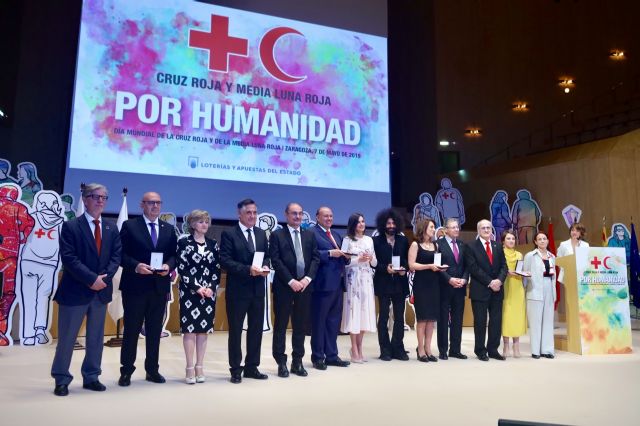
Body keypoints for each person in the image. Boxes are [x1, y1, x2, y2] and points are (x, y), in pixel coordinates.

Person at [51, 183, 122, 396]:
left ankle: (92, 376)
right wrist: (91, 279)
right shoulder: (71, 226)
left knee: (95, 338)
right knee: (67, 339)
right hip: (75, 291)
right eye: (95, 196)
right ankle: (61, 379)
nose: (101, 200)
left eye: (104, 197)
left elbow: (115, 257)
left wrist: (104, 279)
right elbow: (69, 259)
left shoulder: (111, 227)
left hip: (100, 293)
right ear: (85, 199)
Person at [118, 191, 177, 386]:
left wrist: (169, 265)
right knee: (132, 331)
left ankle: (152, 370)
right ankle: (126, 371)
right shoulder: (130, 226)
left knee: (154, 332)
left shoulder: (168, 229)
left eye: (158, 203)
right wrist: (136, 266)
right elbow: (120, 254)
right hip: (135, 286)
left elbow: (174, 255)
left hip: (159, 287)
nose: (155, 206)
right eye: (151, 203)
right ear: (142, 205)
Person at [219, 199, 270, 384]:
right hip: (238, 291)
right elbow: (225, 260)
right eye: (249, 212)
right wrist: (248, 269)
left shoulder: (261, 233)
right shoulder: (229, 233)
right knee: (236, 331)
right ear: (239, 214)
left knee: (256, 330)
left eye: (255, 212)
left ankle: (252, 367)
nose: (252, 216)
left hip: (258, 290)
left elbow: (267, 256)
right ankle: (235, 369)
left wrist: (265, 266)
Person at [269, 202, 320, 378]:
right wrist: (291, 281)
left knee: (300, 326)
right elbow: (275, 260)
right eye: (294, 214)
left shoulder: (309, 235)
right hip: (284, 286)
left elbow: (315, 259)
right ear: (286, 215)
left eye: (300, 214)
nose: (297, 217)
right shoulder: (277, 235)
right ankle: (281, 362)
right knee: (281, 325)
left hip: (305, 287)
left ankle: (297, 362)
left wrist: (306, 279)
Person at [176, 210, 220, 384]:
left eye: (207, 222)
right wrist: (197, 287)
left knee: (203, 331)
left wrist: (210, 287)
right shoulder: (184, 242)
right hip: (189, 292)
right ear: (193, 224)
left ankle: (199, 366)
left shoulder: (213, 244)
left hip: (208, 294)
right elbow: (182, 267)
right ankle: (188, 368)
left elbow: (216, 268)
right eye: (201, 222)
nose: (205, 225)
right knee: (190, 330)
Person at [311, 206, 350, 370]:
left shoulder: (336, 234)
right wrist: (329, 253)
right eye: (325, 216)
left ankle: (332, 355)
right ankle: (318, 357)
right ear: (317, 217)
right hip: (321, 284)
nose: (329, 219)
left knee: (333, 322)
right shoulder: (311, 233)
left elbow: (343, 256)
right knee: (319, 322)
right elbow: (310, 255)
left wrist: (347, 257)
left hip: (337, 284)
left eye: (331, 216)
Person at [466, 219, 508, 361]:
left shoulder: (497, 245)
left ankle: (493, 349)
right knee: (480, 322)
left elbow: (504, 266)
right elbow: (473, 268)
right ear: (478, 230)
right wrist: (490, 282)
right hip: (480, 290)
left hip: (497, 290)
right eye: (483, 228)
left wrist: (499, 281)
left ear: (491, 230)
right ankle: (480, 351)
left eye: (488, 228)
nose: (486, 230)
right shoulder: (471, 246)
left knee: (496, 321)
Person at [372, 208, 409, 361]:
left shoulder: (403, 240)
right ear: (383, 224)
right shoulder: (376, 241)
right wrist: (384, 268)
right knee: (384, 318)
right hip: (383, 283)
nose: (391, 225)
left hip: (400, 284)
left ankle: (398, 348)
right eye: (388, 223)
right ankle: (385, 349)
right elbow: (373, 263)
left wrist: (404, 270)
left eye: (393, 222)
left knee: (399, 317)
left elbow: (406, 260)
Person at [0, 183, 34, 346]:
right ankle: (1, 331)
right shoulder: (18, 207)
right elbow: (29, 224)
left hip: (7, 254)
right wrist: (23, 238)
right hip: (9, 256)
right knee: (7, 293)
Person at [340, 213, 377, 363]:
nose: (361, 224)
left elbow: (374, 263)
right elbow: (343, 262)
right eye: (358, 222)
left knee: (364, 314)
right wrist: (357, 260)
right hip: (353, 280)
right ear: (352, 224)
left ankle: (360, 347)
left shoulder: (369, 239)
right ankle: (354, 348)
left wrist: (370, 258)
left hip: (367, 279)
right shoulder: (347, 240)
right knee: (354, 313)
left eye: (363, 221)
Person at [408, 219, 443, 362]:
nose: (434, 229)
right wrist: (428, 266)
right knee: (422, 318)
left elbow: (437, 263)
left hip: (434, 284)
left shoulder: (435, 245)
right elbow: (411, 265)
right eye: (432, 227)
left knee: (431, 319)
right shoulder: (416, 244)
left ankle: (428, 348)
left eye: (434, 227)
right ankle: (420, 349)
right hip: (421, 284)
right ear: (424, 228)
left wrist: (440, 267)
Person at [436, 218, 469, 360]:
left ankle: (455, 349)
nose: (456, 229)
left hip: (460, 287)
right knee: (443, 319)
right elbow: (437, 266)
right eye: (453, 227)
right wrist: (449, 279)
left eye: (457, 227)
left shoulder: (462, 244)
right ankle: (443, 350)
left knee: (457, 319)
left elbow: (467, 265)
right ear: (446, 229)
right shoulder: (438, 244)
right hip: (444, 286)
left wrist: (464, 279)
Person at [523, 232, 556, 359]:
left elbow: (554, 276)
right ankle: (535, 351)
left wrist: (554, 293)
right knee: (535, 321)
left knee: (548, 320)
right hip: (535, 289)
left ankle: (547, 350)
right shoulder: (530, 256)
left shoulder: (552, 256)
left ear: (547, 241)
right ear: (535, 242)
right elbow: (525, 275)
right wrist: (526, 290)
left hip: (549, 288)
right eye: (539, 239)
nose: (542, 241)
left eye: (544, 238)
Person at [501, 230, 526, 358]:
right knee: (506, 315)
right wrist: (507, 273)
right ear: (503, 241)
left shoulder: (519, 254)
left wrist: (525, 272)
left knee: (517, 315)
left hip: (517, 286)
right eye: (508, 239)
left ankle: (516, 345)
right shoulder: (500, 253)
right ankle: (505, 344)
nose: (511, 241)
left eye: (513, 239)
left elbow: (520, 270)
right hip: (505, 285)